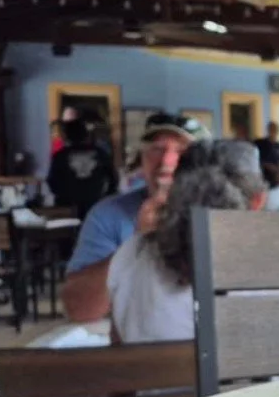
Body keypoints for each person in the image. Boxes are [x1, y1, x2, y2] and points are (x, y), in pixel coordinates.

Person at [108, 141, 266, 343]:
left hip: (154, 373)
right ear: (257, 201)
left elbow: (117, 340)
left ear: (172, 193)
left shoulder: (132, 251)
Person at [61, 112, 204, 323]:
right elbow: (80, 310)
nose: (166, 161)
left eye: (181, 151)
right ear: (142, 158)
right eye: (156, 149)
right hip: (134, 345)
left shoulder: (221, 213)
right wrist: (136, 243)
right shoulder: (108, 214)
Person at [46, 119, 117, 220]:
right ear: (86, 134)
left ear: (67, 135)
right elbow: (113, 179)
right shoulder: (100, 153)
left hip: (68, 208)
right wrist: (105, 198)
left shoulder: (60, 156)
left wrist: (63, 197)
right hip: (95, 204)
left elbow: (52, 181)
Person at [253, 121, 279, 187]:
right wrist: (267, 165)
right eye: (272, 129)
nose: (274, 132)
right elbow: (254, 159)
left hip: (278, 180)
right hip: (263, 178)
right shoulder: (260, 144)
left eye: (276, 130)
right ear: (268, 130)